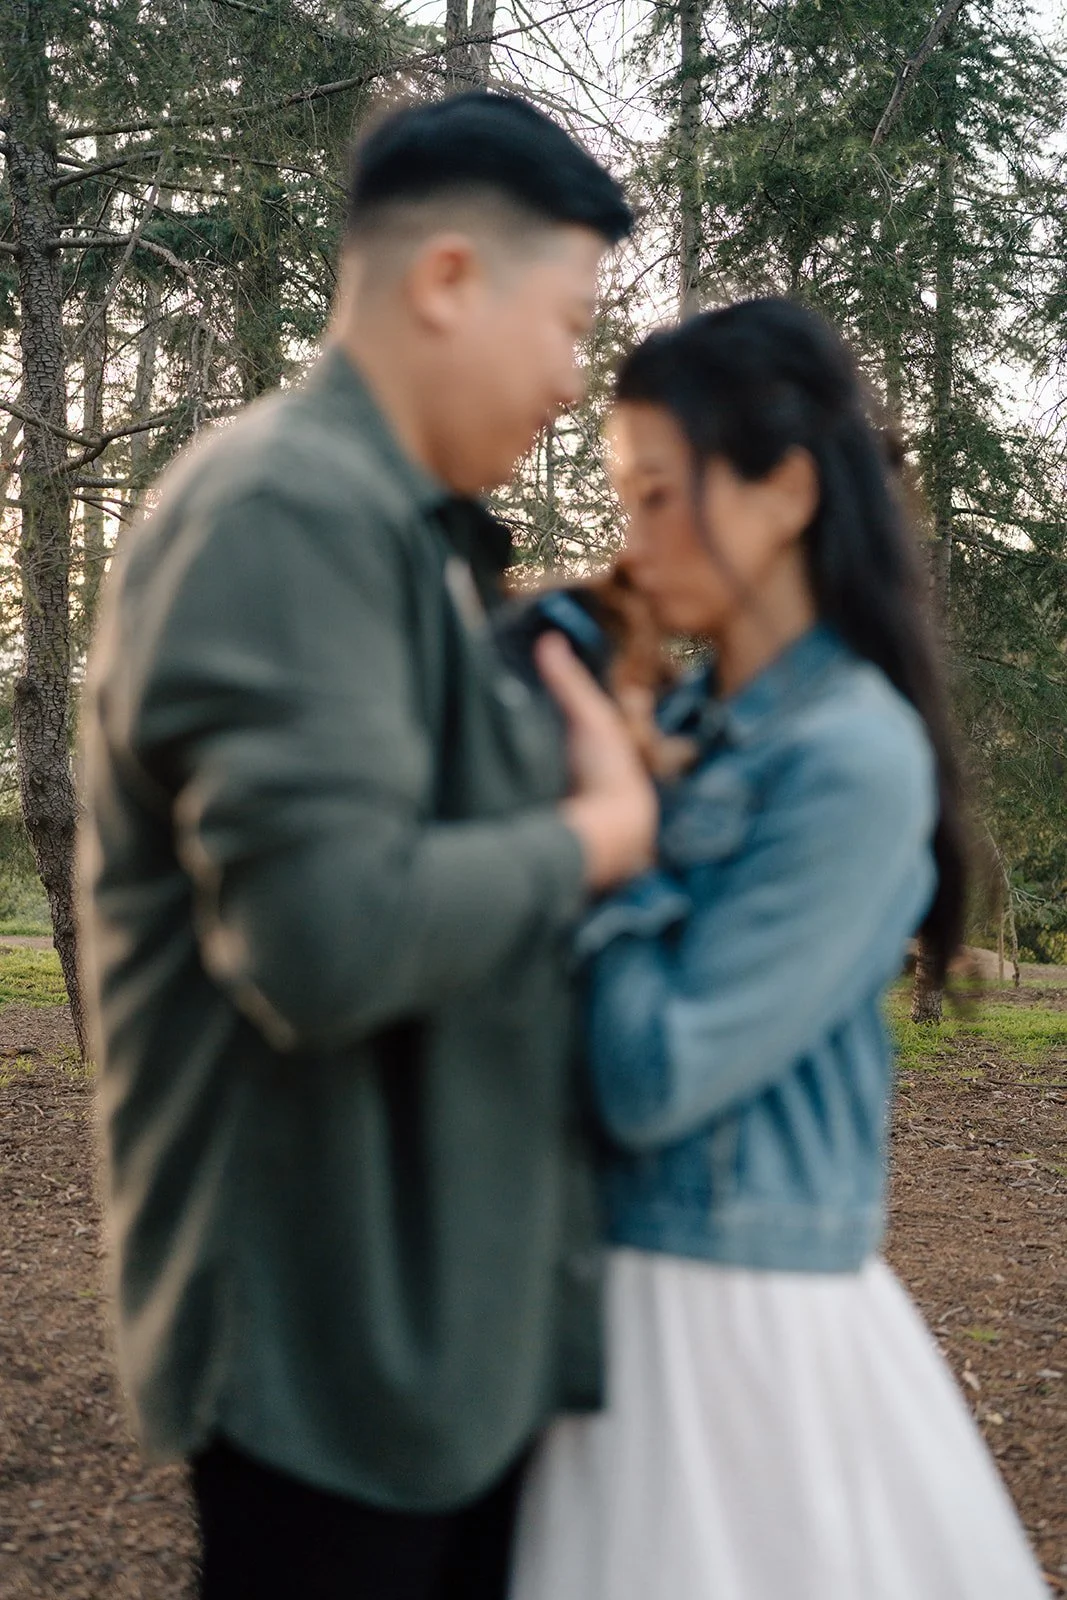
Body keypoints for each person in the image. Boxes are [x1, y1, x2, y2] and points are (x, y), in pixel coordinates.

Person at [78, 93, 657, 1600]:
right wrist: (598, 837)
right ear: (448, 278)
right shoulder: (286, 511)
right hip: (330, 1361)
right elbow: (328, 937)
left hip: (426, 1345)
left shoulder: (401, 530)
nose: (573, 379)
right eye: (568, 322)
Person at [510, 299, 1048, 1600]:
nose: (629, 541)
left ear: (787, 491)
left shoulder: (853, 758)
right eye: (622, 499)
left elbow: (653, 1077)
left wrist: (611, 839)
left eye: (656, 495)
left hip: (731, 1331)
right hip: (602, 1298)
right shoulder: (683, 721)